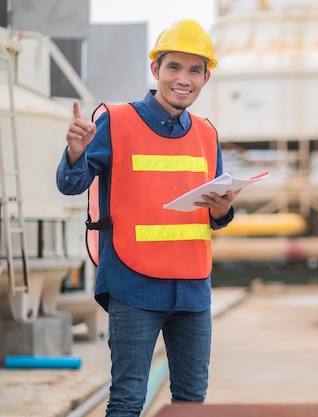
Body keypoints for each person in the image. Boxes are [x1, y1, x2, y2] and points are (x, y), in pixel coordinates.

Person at [56, 19, 237, 417]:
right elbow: (71, 185)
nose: (183, 79)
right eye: (174, 67)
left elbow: (215, 213)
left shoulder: (207, 134)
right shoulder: (116, 121)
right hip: (133, 285)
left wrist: (223, 210)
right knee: (126, 401)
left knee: (192, 402)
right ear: (156, 70)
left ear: (206, 77)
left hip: (192, 289)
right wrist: (74, 153)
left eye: (194, 70)